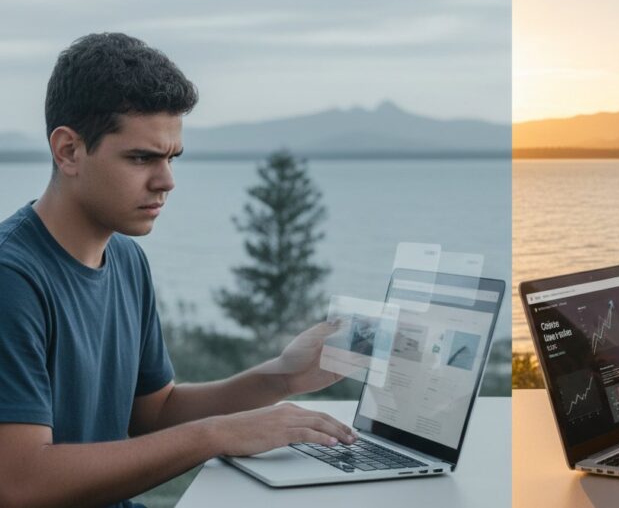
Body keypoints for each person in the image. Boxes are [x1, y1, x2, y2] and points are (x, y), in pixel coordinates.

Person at [0, 33, 356, 508]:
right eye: (141, 158)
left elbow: (154, 412)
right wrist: (218, 434)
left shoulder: (125, 259)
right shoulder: (12, 279)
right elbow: (22, 483)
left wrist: (280, 379)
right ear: (68, 151)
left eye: (170, 158)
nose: (166, 181)